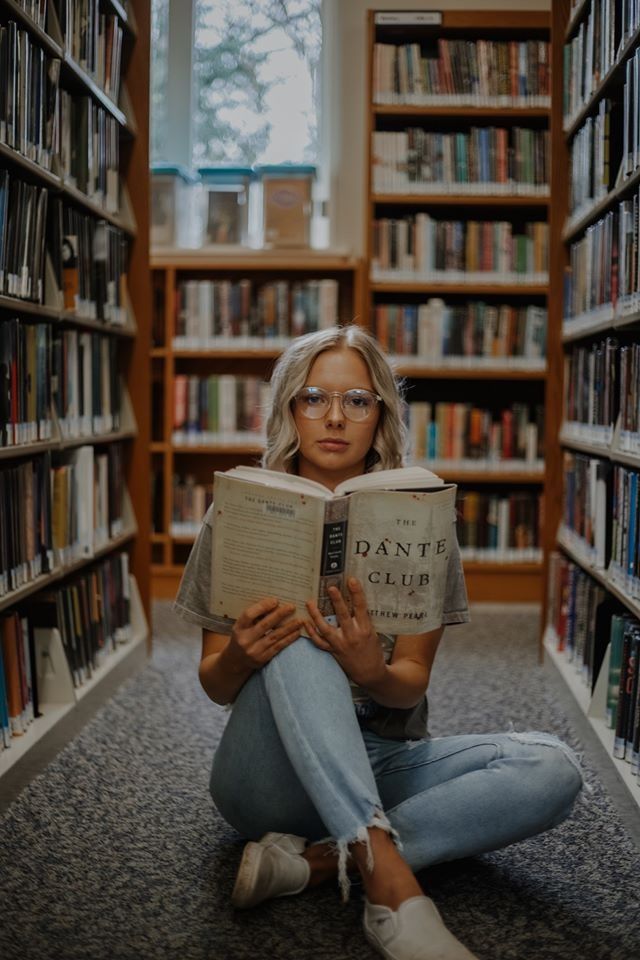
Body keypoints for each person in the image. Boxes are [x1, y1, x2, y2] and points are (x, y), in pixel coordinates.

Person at [174, 325, 583, 960]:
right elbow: (212, 681)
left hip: (379, 757)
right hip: (267, 778)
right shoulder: (237, 509)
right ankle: (389, 884)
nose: (334, 417)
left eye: (358, 401)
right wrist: (241, 655)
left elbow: (411, 679)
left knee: (551, 769)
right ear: (288, 409)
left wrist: (369, 669)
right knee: (303, 634)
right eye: (313, 398)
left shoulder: (420, 518)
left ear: (381, 415)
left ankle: (310, 866)